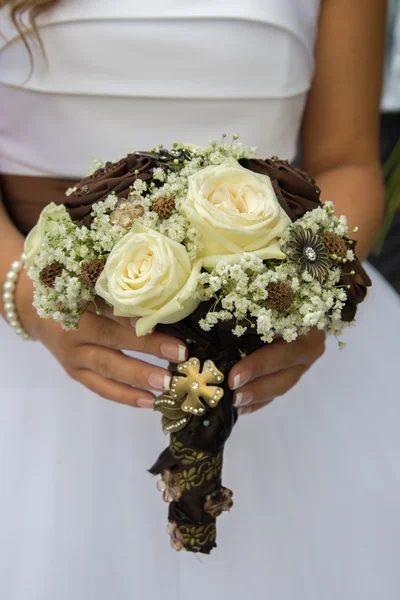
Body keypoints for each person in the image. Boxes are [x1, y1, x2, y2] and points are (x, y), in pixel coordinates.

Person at [0, 1, 399, 599]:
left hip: (276, 343)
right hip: (44, 340)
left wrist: (315, 293)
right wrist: (28, 295)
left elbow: (345, 158)